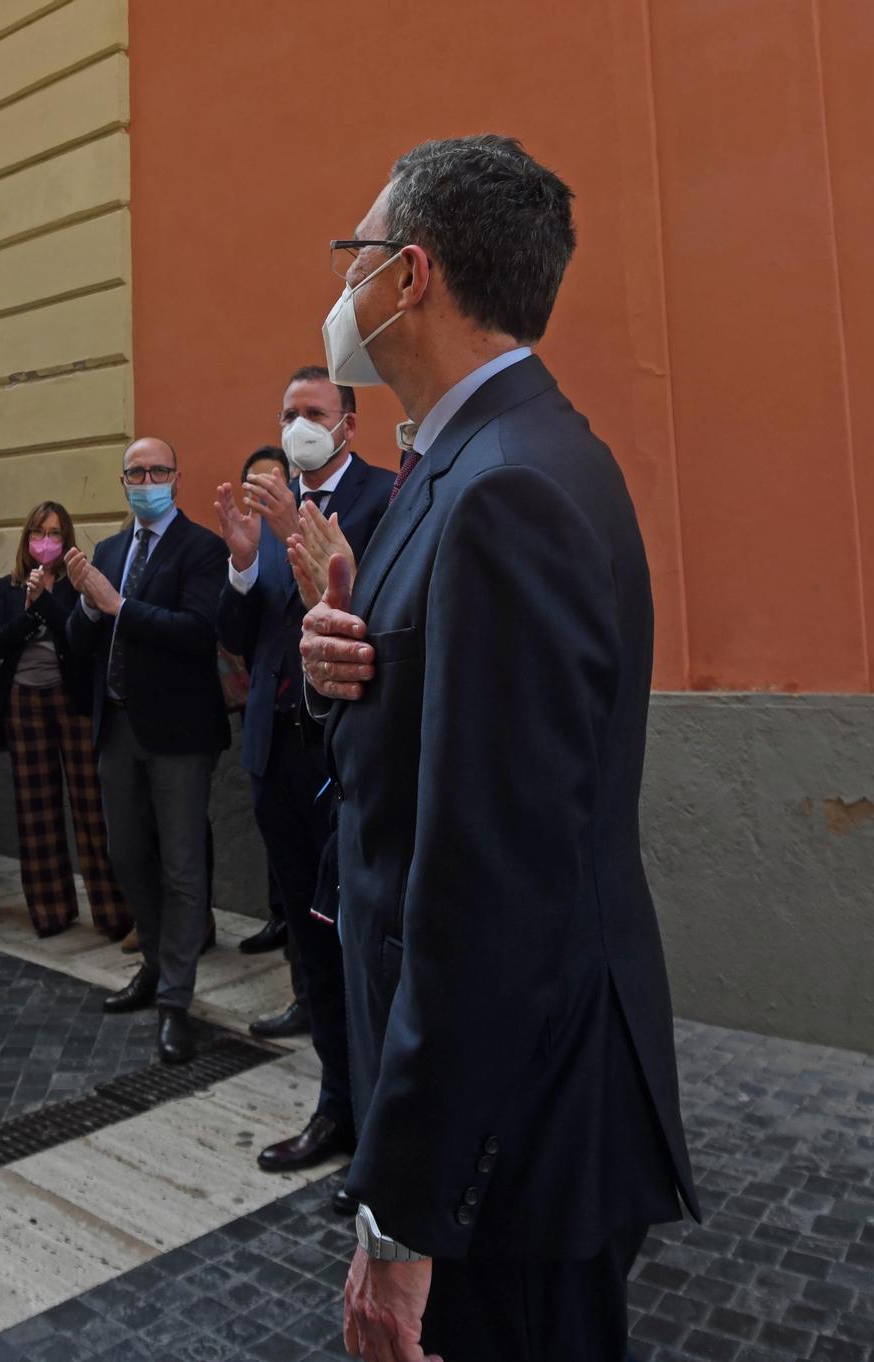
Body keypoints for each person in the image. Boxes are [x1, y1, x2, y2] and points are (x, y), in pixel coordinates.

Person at [298, 135, 696, 1361]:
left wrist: (406, 1213)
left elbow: (494, 882)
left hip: (512, 1139)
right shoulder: (461, 459)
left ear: (409, 276)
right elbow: (441, 725)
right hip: (498, 1105)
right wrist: (348, 666)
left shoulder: (507, 485)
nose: (342, 286)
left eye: (355, 254)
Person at [217, 369, 394, 1194]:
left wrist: (295, 544)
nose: (297, 428)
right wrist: (248, 565)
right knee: (310, 941)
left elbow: (363, 614)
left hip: (342, 760)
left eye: (313, 415)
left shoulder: (383, 499)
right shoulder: (266, 509)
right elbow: (240, 635)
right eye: (287, 414)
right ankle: (335, 1102)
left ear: (349, 427)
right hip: (274, 750)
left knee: (362, 942)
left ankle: (384, 1133)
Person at [63, 438, 229, 1065]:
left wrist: (118, 605)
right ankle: (155, 965)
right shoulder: (107, 550)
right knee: (124, 852)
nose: (148, 479)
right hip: (118, 726)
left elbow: (196, 633)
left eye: (159, 469)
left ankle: (176, 1002)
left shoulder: (202, 548)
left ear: (177, 478)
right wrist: (85, 602)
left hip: (179, 734)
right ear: (123, 481)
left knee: (183, 866)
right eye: (137, 471)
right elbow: (82, 641)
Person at [0, 502, 128, 940]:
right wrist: (28, 607)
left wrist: (45, 600)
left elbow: (77, 637)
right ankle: (50, 909)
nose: (46, 540)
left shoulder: (74, 586)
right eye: (39, 532)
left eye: (55, 533)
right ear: (27, 538)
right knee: (35, 807)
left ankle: (112, 912)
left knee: (89, 805)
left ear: (66, 542)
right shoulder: (6, 588)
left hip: (72, 700)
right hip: (23, 701)